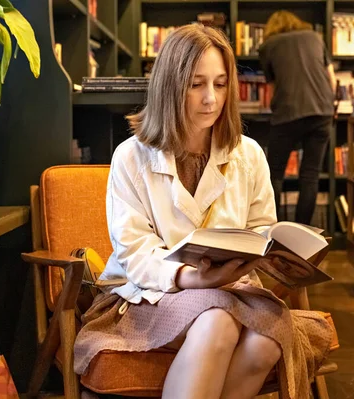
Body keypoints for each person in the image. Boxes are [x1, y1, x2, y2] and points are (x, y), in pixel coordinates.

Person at [73, 24, 333, 399]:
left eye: (221, 84)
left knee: (267, 342)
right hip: (148, 294)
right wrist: (190, 278)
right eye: (196, 84)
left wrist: (273, 258)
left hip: (233, 289)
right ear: (170, 86)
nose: (211, 98)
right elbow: (135, 253)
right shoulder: (131, 157)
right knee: (218, 323)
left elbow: (262, 229)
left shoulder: (249, 154)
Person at [258, 11, 337, 224]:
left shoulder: (268, 46)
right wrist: (331, 106)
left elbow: (273, 88)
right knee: (310, 175)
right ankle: (303, 234)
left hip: (288, 113)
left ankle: (271, 231)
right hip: (322, 111)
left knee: (273, 174)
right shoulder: (314, 37)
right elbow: (332, 79)